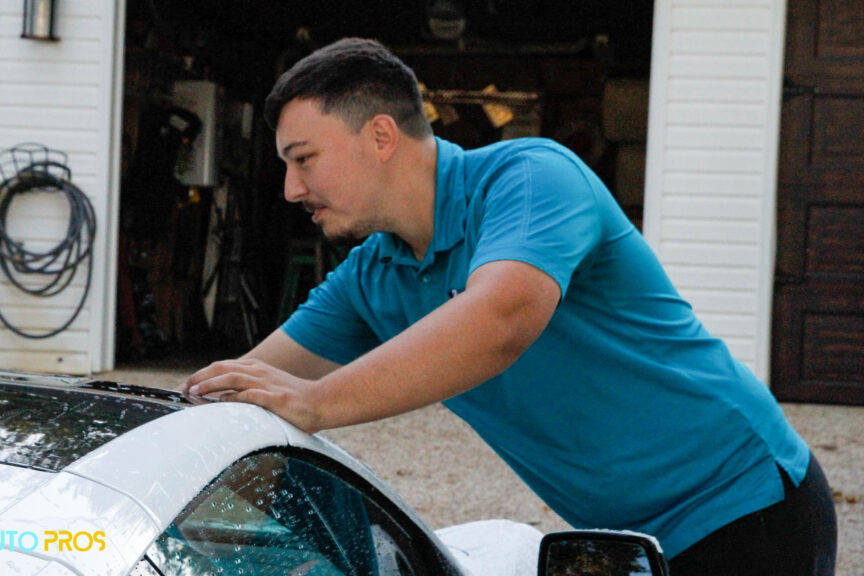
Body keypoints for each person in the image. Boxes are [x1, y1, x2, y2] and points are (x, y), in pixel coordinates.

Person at [182, 37, 837, 575]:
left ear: (381, 135)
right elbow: (244, 387)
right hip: (621, 542)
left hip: (747, 507)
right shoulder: (371, 278)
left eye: (305, 159)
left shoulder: (530, 178)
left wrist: (317, 403)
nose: (292, 189)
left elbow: (502, 318)